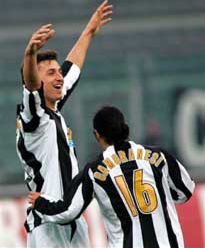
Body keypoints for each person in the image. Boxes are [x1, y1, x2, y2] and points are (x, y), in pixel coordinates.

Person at [16, 1, 113, 248]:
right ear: (38, 81)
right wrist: (29, 54)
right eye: (51, 73)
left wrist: (89, 31)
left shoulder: (53, 109)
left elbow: (72, 69)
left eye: (58, 72)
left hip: (68, 219)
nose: (59, 77)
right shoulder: (32, 119)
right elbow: (30, 85)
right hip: (48, 224)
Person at [29, 106, 195, 248]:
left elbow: (68, 212)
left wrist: (40, 202)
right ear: (125, 127)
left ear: (97, 135)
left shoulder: (94, 171)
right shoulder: (158, 156)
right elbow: (186, 191)